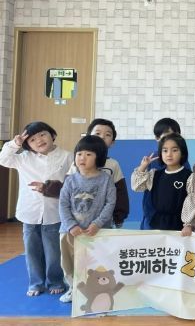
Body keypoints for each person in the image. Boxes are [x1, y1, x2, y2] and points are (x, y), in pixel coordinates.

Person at [0, 121, 72, 297]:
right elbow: (3, 159)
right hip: (29, 212)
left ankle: (55, 281)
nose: (39, 140)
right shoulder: (23, 158)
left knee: (54, 252)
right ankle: (36, 283)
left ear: (52, 135)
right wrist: (15, 144)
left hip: (54, 212)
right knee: (32, 251)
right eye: (32, 139)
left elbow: (71, 182)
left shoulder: (66, 156)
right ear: (27, 145)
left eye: (42, 134)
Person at [58, 135, 116, 303]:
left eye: (88, 154)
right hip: (70, 232)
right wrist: (70, 225)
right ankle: (73, 288)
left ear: (99, 157)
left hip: (98, 232)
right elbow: (63, 204)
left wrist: (98, 223)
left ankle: (98, 289)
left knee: (98, 261)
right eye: (79, 154)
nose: (82, 157)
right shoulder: (70, 180)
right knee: (69, 262)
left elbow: (110, 203)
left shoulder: (106, 179)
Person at [131, 133, 192, 230]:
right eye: (165, 150)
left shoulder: (189, 176)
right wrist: (143, 167)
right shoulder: (154, 174)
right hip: (155, 224)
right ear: (160, 153)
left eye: (174, 150)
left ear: (182, 152)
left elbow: (192, 202)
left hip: (179, 226)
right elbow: (136, 186)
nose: (169, 154)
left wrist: (188, 224)